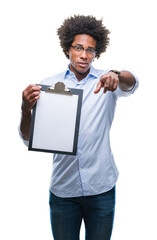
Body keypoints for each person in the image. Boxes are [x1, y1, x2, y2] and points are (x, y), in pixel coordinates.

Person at [19, 15, 139, 240]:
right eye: (78, 48)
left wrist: (117, 74)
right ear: (67, 49)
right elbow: (28, 139)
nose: (84, 55)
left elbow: (132, 84)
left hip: (101, 189)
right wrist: (26, 109)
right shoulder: (47, 87)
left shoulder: (106, 81)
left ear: (97, 53)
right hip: (64, 191)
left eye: (91, 50)